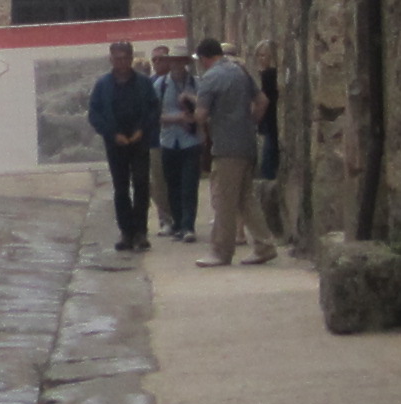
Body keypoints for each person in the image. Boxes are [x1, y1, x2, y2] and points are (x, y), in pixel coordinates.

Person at [192, 37, 274, 265]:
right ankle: (264, 244)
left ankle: (221, 250)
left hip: (226, 146)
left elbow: (201, 115)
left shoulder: (210, 78)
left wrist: (192, 113)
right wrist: (250, 122)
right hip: (246, 143)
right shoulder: (240, 72)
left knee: (224, 199)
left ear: (204, 58)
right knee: (246, 198)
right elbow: (262, 101)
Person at [89, 40, 159, 251]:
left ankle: (140, 231)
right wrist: (112, 134)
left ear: (131, 58)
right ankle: (126, 232)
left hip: (139, 141)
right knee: (121, 188)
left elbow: (153, 109)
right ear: (111, 59)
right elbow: (94, 114)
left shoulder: (143, 83)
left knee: (141, 184)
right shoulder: (103, 85)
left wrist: (142, 130)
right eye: (117, 58)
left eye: (125, 58)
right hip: (115, 143)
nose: (121, 62)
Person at [156, 48, 205, 242]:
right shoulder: (160, 85)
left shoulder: (197, 84)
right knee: (173, 185)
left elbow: (206, 108)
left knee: (189, 185)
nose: (177, 65)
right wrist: (177, 118)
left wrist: (193, 114)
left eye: (180, 61)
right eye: (173, 61)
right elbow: (153, 115)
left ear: (185, 63)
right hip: (169, 141)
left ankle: (188, 226)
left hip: (191, 141)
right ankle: (178, 224)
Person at [252, 41, 286, 249]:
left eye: (264, 55)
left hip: (271, 128)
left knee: (267, 174)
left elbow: (264, 102)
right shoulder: (267, 75)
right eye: (259, 56)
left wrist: (255, 119)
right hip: (271, 128)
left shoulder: (268, 76)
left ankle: (271, 227)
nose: (261, 59)